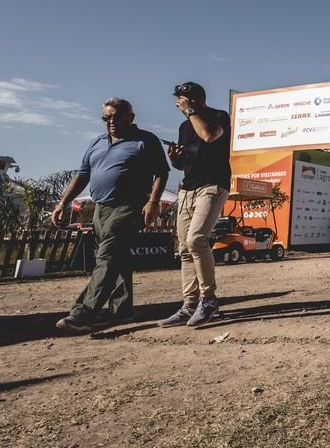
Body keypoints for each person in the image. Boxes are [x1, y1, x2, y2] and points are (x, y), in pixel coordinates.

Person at [51, 98, 169, 334]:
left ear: (130, 117)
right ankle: (122, 310)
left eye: (116, 117)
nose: (111, 122)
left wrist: (153, 202)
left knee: (107, 256)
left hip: (129, 206)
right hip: (100, 208)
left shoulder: (145, 140)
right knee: (118, 258)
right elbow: (82, 174)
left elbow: (161, 172)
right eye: (106, 118)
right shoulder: (97, 142)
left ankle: (82, 314)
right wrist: (63, 202)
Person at [159, 82, 231, 328]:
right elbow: (185, 163)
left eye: (183, 100)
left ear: (198, 100)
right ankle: (189, 304)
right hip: (188, 188)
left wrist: (191, 112)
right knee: (184, 249)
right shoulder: (184, 126)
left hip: (213, 185)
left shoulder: (218, 116)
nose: (179, 105)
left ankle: (209, 300)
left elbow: (209, 136)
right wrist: (176, 159)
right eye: (178, 100)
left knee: (196, 240)